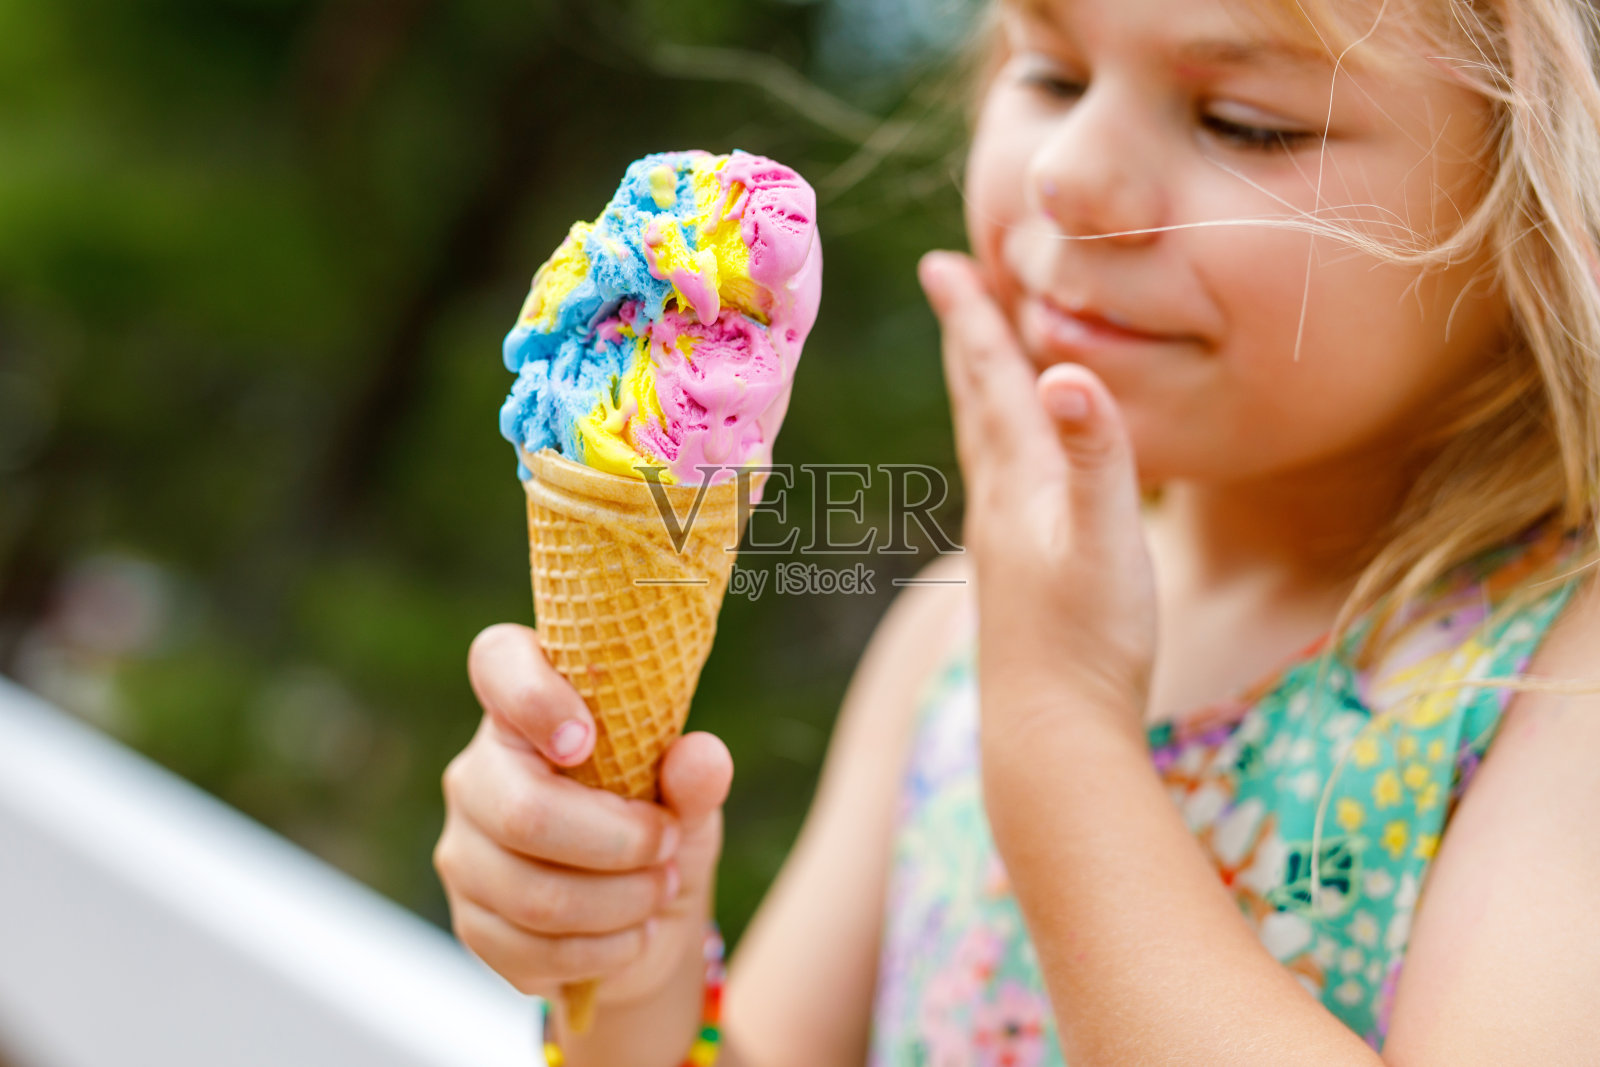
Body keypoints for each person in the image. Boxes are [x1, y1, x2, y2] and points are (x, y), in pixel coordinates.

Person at [432, 0, 1600, 1062]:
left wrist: (1059, 737)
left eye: (1244, 122)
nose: (1072, 171)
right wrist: (636, 971)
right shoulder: (966, 617)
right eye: (1049, 73)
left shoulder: (1555, 690)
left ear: (1551, 199)